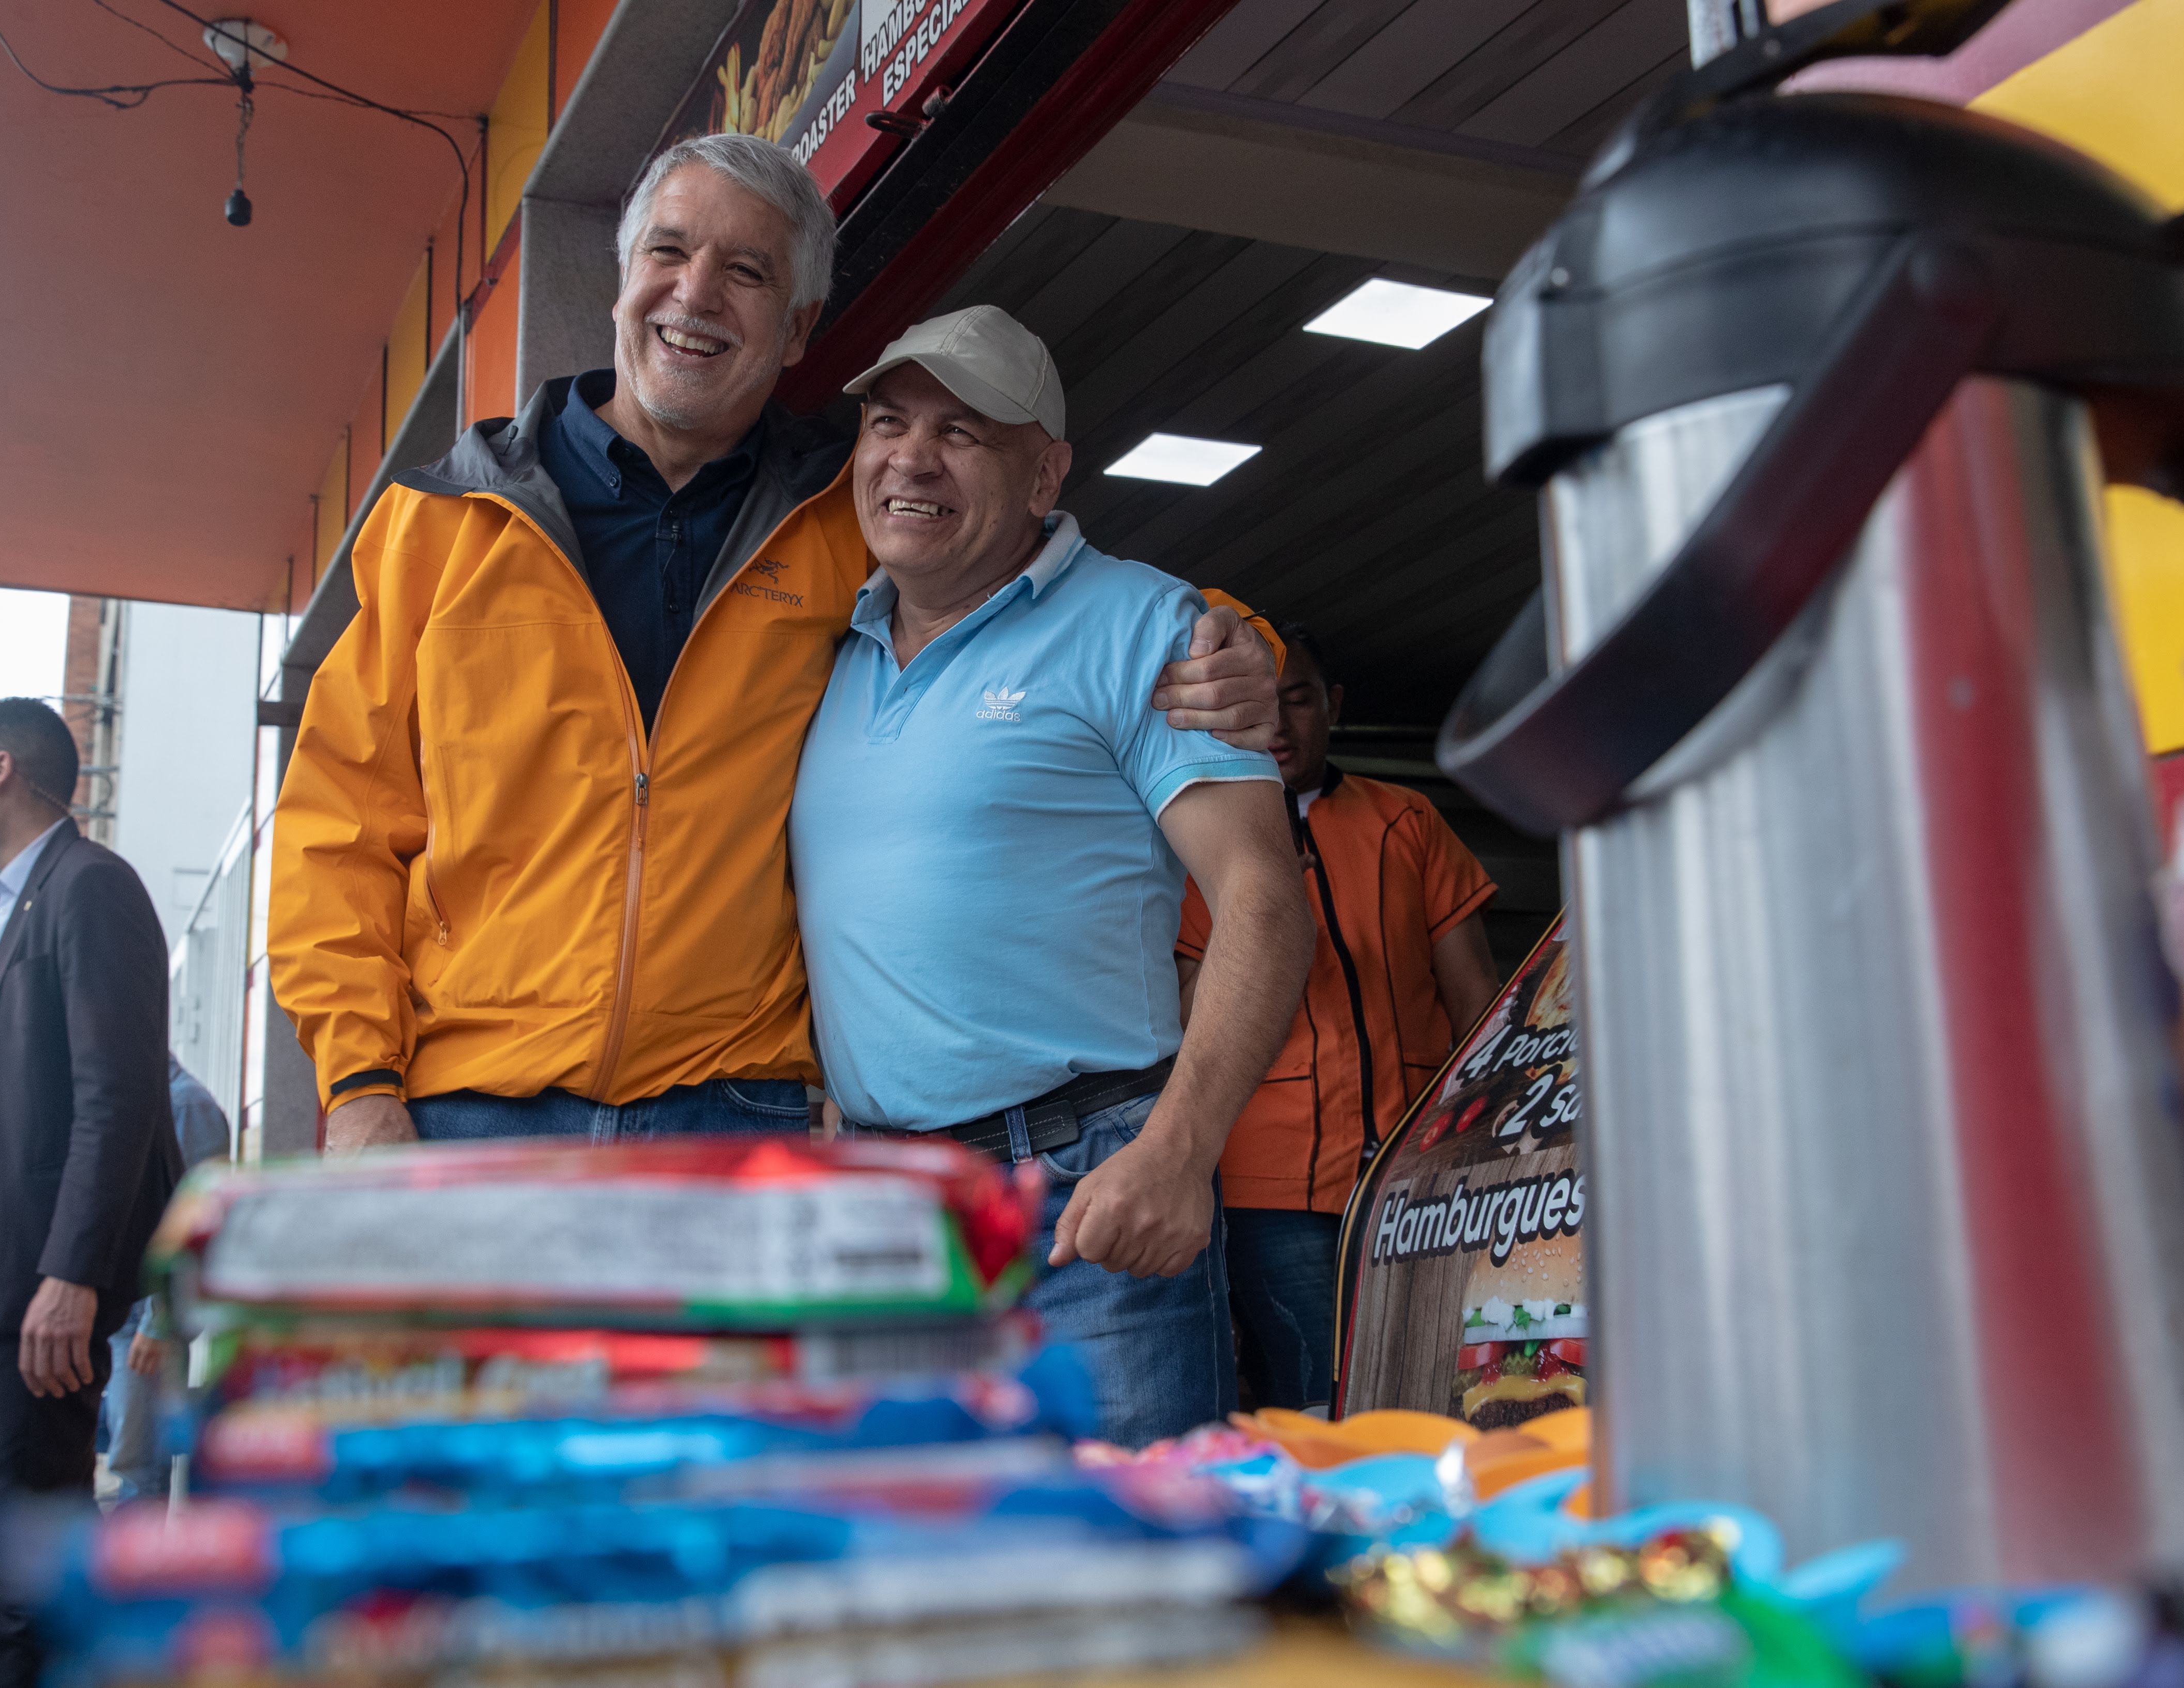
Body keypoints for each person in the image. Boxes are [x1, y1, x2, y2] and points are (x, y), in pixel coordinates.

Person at [270, 133, 1280, 1154]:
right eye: (667, 253)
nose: (695, 292)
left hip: (732, 1115)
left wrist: (1243, 644)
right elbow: (337, 829)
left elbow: (1043, 590)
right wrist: (360, 1087)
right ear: (622, 282)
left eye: (744, 271)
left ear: (798, 328)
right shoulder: (443, 528)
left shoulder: (843, 520)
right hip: (470, 1110)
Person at [789, 306, 1318, 1448]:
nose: (911, 458)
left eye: (963, 432)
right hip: (888, 1218)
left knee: (1122, 1577)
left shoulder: (1149, 626)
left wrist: (1175, 1154)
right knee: (923, 1568)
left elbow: (1265, 904)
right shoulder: (825, 648)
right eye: (887, 423)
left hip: (1085, 1198)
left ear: (1045, 474)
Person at [0, 697, 183, 1688]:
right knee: (22, 1529)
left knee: (17, 1543)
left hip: (40, 1273)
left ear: (2, 769)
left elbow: (119, 1096)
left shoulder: (89, 887)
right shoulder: (17, 898)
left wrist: (70, 1272)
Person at [1177, 625, 1503, 1410]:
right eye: (1266, 703)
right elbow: (1189, 1014)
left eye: (1300, 701)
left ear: (1334, 707)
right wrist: (1264, 912)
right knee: (1317, 1390)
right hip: (1271, 1179)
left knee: (1436, 1376)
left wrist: (1485, 1145)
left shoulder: (1404, 820)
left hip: (1416, 1164)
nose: (1282, 725)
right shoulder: (1199, 835)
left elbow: (1478, 1001)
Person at [101, 1054, 230, 1500]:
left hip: (145, 1317)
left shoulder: (186, 1104)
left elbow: (195, 1222)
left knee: (137, 1466)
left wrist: (159, 1320)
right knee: (125, 1456)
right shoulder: (143, 1101)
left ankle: (138, 1568)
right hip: (118, 1309)